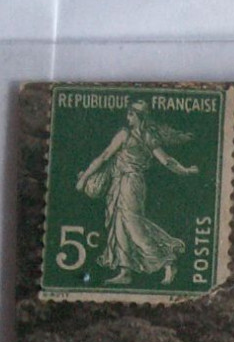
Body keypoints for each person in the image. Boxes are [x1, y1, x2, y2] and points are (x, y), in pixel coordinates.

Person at [74, 100, 199, 286]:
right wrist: (186, 170)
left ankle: (167, 260)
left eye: (131, 114)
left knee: (133, 225)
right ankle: (125, 272)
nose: (128, 117)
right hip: (123, 182)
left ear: (138, 116)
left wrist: (84, 178)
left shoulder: (127, 135)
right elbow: (167, 161)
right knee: (119, 225)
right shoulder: (146, 136)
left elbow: (105, 156)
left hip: (130, 183)